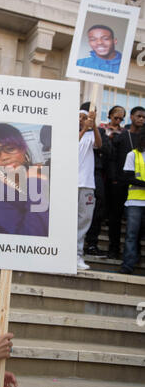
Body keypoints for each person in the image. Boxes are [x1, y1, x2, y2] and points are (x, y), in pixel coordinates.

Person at [0, 123, 49, 236]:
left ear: (23, 148)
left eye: (10, 148)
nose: (4, 157)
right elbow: (30, 237)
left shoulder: (37, 173)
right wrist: (36, 186)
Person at [108, 106, 145, 259]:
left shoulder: (143, 138)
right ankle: (113, 249)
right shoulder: (122, 136)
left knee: (136, 224)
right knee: (115, 218)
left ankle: (134, 253)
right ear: (131, 117)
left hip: (137, 187)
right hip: (120, 184)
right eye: (139, 116)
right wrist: (114, 179)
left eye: (144, 117)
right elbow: (112, 158)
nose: (141, 119)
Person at [77, 102, 102, 270]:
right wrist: (85, 128)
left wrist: (94, 127)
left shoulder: (91, 135)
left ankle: (77, 255)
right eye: (81, 117)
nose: (83, 120)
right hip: (68, 183)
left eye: (86, 118)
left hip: (86, 184)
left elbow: (99, 145)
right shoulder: (68, 133)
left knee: (84, 220)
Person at [120, 125, 145, 274]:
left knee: (132, 236)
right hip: (134, 202)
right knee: (131, 235)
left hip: (137, 203)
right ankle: (127, 266)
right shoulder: (132, 155)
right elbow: (127, 178)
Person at [85, 125, 111, 257]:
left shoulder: (99, 131)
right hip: (75, 172)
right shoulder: (71, 127)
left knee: (98, 207)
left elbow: (106, 149)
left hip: (95, 172)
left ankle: (91, 244)